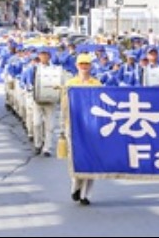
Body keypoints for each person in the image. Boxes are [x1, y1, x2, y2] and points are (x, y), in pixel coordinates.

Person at [63, 53, 101, 206]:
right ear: (77, 66)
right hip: (74, 125)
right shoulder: (70, 84)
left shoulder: (97, 84)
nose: (84, 67)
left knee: (91, 160)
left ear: (90, 66)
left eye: (87, 64)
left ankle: (86, 195)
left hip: (92, 126)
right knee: (76, 159)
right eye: (82, 64)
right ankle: (76, 186)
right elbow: (65, 106)